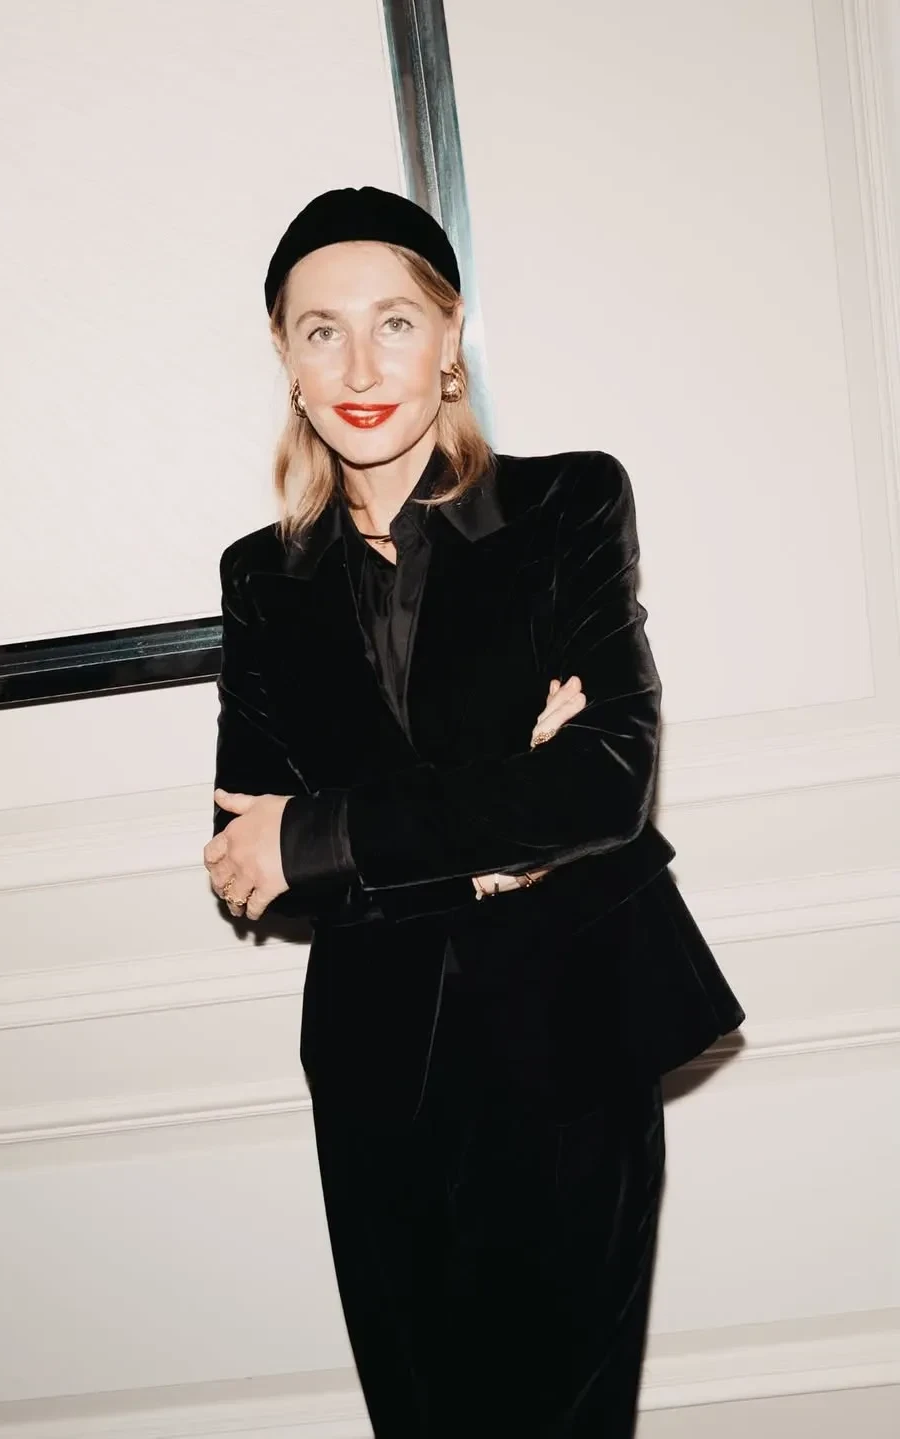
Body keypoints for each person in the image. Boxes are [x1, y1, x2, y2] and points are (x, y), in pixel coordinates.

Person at [203, 186, 745, 1437]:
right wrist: (501, 829)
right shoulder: (263, 577)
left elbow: (605, 781)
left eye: (395, 321)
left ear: (450, 336)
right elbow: (245, 854)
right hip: (378, 1069)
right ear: (286, 357)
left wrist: (332, 831)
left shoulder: (566, 506)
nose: (360, 365)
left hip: (571, 1038)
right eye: (322, 329)